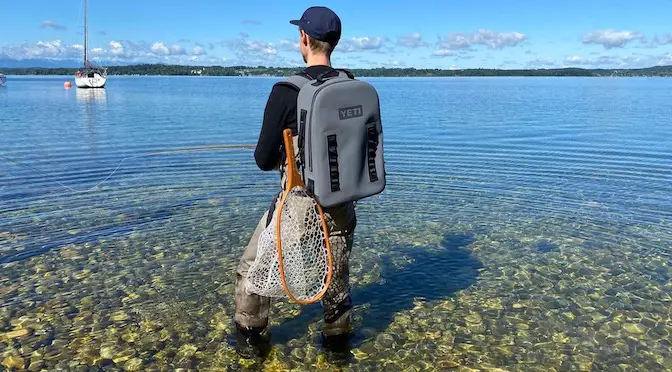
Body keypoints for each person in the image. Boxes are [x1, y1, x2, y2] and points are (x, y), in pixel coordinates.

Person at [233, 6, 357, 360]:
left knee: (252, 274)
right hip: (344, 201)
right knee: (334, 275)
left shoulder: (287, 91)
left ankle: (251, 348)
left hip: (300, 204)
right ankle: (337, 351)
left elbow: (262, 159)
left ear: (304, 38)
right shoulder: (349, 84)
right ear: (334, 42)